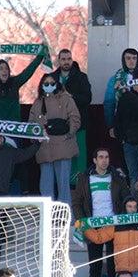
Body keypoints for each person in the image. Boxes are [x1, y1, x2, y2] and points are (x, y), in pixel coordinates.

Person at [73, 148, 129, 277]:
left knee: (113, 263)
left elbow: (127, 199)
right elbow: (77, 202)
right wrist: (82, 221)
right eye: (101, 157)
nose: (105, 160)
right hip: (93, 225)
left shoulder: (116, 178)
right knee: (95, 263)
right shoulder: (85, 178)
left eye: (107, 157)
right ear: (95, 160)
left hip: (112, 224)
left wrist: (121, 218)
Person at [28, 73, 81, 206]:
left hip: (63, 147)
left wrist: (68, 134)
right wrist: (36, 137)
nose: (49, 86)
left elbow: (75, 118)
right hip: (45, 148)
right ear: (41, 86)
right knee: (46, 187)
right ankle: (47, 218)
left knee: (64, 187)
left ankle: (65, 217)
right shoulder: (38, 102)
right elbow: (31, 123)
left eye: (52, 83)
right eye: (46, 84)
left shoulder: (66, 99)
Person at [54, 48, 93, 179]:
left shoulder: (81, 77)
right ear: (59, 61)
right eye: (63, 59)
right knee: (60, 157)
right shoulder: (52, 78)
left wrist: (71, 96)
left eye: (69, 59)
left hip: (78, 125)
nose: (66, 62)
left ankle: (79, 189)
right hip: (58, 126)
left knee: (79, 158)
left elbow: (87, 98)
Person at [103, 47, 138, 134]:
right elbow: (109, 103)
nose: (131, 61)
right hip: (124, 122)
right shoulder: (115, 79)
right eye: (128, 58)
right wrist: (111, 125)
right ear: (123, 60)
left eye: (134, 58)